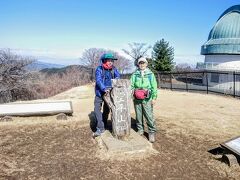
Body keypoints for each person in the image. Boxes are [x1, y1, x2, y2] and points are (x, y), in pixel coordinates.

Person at [130, 57, 158, 143]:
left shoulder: (150, 74)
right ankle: (140, 130)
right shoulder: (135, 74)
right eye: (140, 63)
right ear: (138, 64)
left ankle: (151, 132)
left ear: (146, 64)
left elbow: (154, 87)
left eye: (143, 63)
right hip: (137, 98)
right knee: (138, 115)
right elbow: (131, 85)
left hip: (147, 98)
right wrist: (132, 95)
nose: (142, 64)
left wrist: (154, 97)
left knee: (149, 115)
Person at [93, 53, 120, 137]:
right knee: (97, 110)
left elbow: (118, 77)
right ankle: (100, 128)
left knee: (106, 110)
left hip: (110, 93)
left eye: (112, 61)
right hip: (99, 93)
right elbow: (98, 80)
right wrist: (104, 88)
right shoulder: (99, 69)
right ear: (104, 60)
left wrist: (115, 82)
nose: (111, 62)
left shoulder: (114, 69)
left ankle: (104, 124)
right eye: (109, 60)